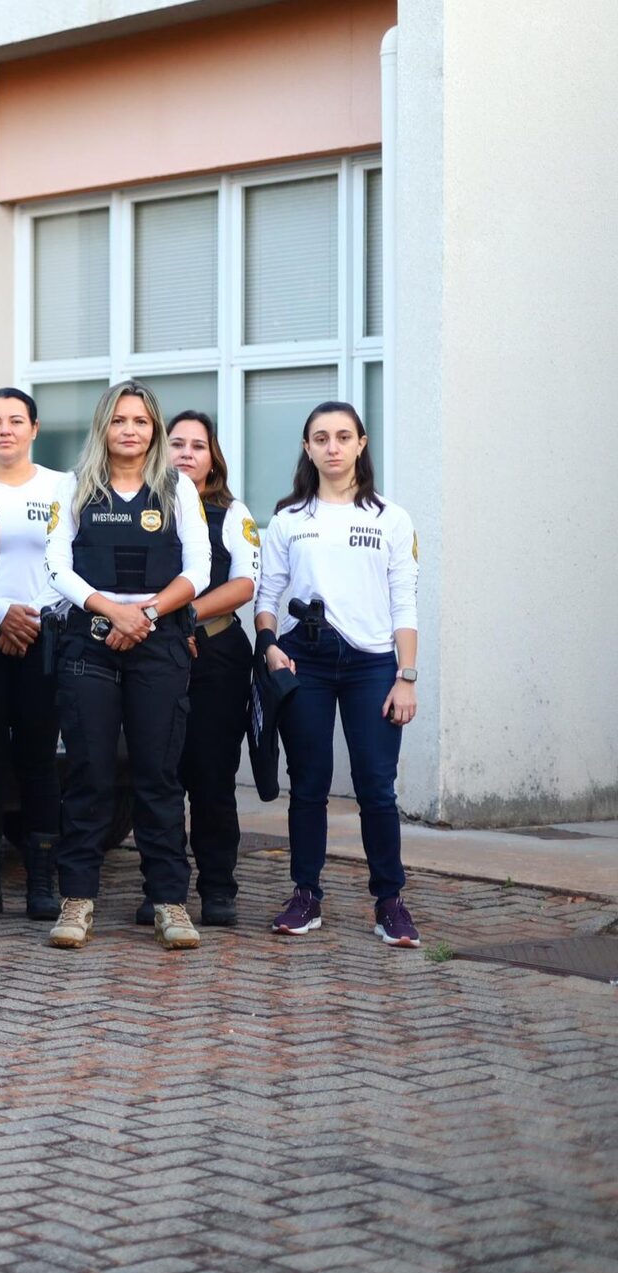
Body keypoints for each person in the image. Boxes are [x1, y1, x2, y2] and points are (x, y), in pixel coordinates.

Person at [41, 380, 209, 952]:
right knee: (88, 774)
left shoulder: (178, 488)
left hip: (158, 642)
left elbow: (200, 570)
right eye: (119, 421)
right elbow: (57, 567)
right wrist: (113, 610)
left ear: (154, 429)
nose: (130, 430)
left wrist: (147, 613)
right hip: (89, 640)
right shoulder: (75, 488)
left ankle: (169, 903)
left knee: (158, 776)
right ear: (103, 429)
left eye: (140, 420)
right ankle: (78, 901)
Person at [256, 402, 422, 947]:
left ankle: (390, 901)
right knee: (309, 785)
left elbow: (404, 604)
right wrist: (269, 644)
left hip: (373, 665)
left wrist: (407, 676)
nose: (332, 446)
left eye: (343, 436)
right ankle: (306, 895)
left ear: (361, 443)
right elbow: (268, 593)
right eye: (321, 438)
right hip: (306, 661)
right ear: (307, 448)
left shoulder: (390, 518)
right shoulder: (288, 520)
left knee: (377, 786)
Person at [0, 387, 67, 923]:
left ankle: (42, 878)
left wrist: (26, 618)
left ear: (34, 428)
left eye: (15, 420)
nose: (5, 429)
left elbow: (71, 562)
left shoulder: (63, 487)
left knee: (39, 758)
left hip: (43, 635)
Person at [157, 410, 259, 928]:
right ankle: (165, 891)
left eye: (198, 445)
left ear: (212, 456)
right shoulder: (144, 507)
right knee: (161, 776)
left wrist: (186, 616)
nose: (187, 454)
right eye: (177, 443)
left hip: (217, 657)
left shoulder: (230, 512)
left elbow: (245, 585)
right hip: (156, 657)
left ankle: (218, 889)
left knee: (213, 778)